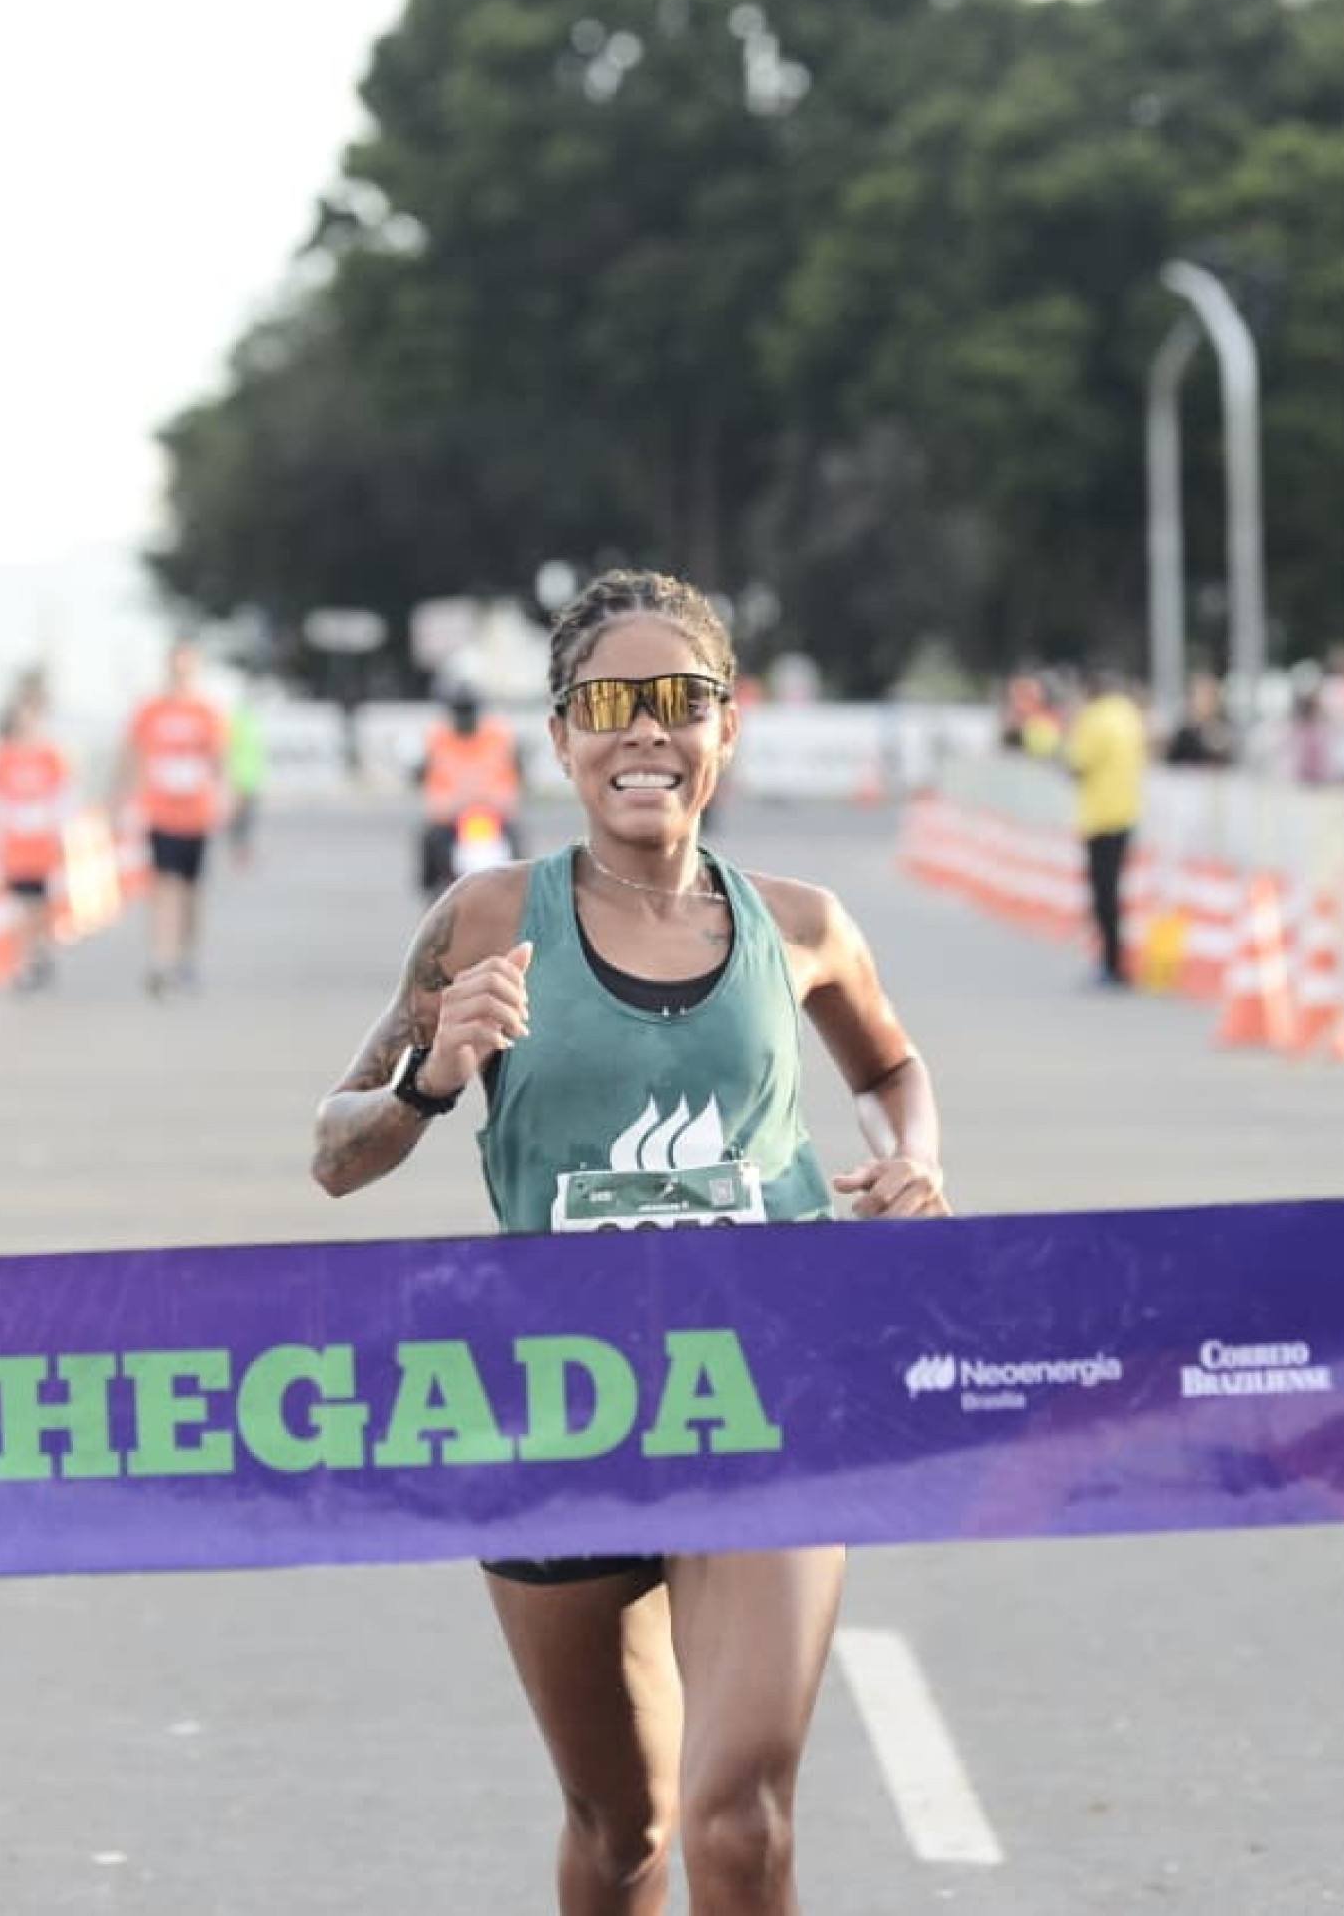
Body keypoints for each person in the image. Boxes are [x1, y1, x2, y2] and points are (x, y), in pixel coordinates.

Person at [308, 569, 948, 1916]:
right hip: (555, 1405)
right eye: (610, 701)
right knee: (625, 1833)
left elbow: (890, 1068)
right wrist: (428, 1078)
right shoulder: (483, 920)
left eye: (680, 700)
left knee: (741, 1820)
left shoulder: (803, 925)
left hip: (761, 1389)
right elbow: (333, 1149)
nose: (644, 730)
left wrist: (912, 1158)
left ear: (728, 729)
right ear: (560, 735)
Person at [115, 643, 230, 997]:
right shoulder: (150, 711)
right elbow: (132, 755)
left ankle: (187, 956)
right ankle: (160, 959)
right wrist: (122, 802)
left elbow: (220, 760)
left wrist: (224, 798)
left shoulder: (207, 712)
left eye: (186, 669)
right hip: (160, 811)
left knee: (190, 890)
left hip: (195, 812)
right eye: (175, 668)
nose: (180, 675)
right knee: (163, 885)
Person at [1061, 669, 1146, 989]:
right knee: (1116, 892)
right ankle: (1117, 960)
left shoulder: (1094, 720)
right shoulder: (1129, 715)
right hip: (1126, 813)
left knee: (1103, 896)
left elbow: (1077, 764)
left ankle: (1111, 964)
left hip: (1099, 817)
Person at [0, 692, 69, 990]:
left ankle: (40, 951)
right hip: (14, 843)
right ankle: (23, 962)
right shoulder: (2, 758)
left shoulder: (51, 756)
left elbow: (62, 798)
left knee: (39, 904)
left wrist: (62, 835)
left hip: (43, 843)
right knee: (19, 905)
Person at [416, 688, 524, 895]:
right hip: (450, 817)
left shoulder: (496, 736)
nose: (464, 718)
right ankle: (431, 888)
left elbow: (513, 773)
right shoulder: (439, 738)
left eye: (468, 711)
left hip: (493, 813)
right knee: (431, 840)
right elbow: (428, 777)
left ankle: (522, 890)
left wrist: (501, 801)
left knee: (516, 845)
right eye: (460, 712)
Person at [225, 695, 269, 870]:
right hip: (241, 779)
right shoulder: (244, 725)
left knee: (245, 818)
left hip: (249, 779)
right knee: (241, 818)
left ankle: (242, 850)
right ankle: (240, 850)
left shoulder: (246, 724)